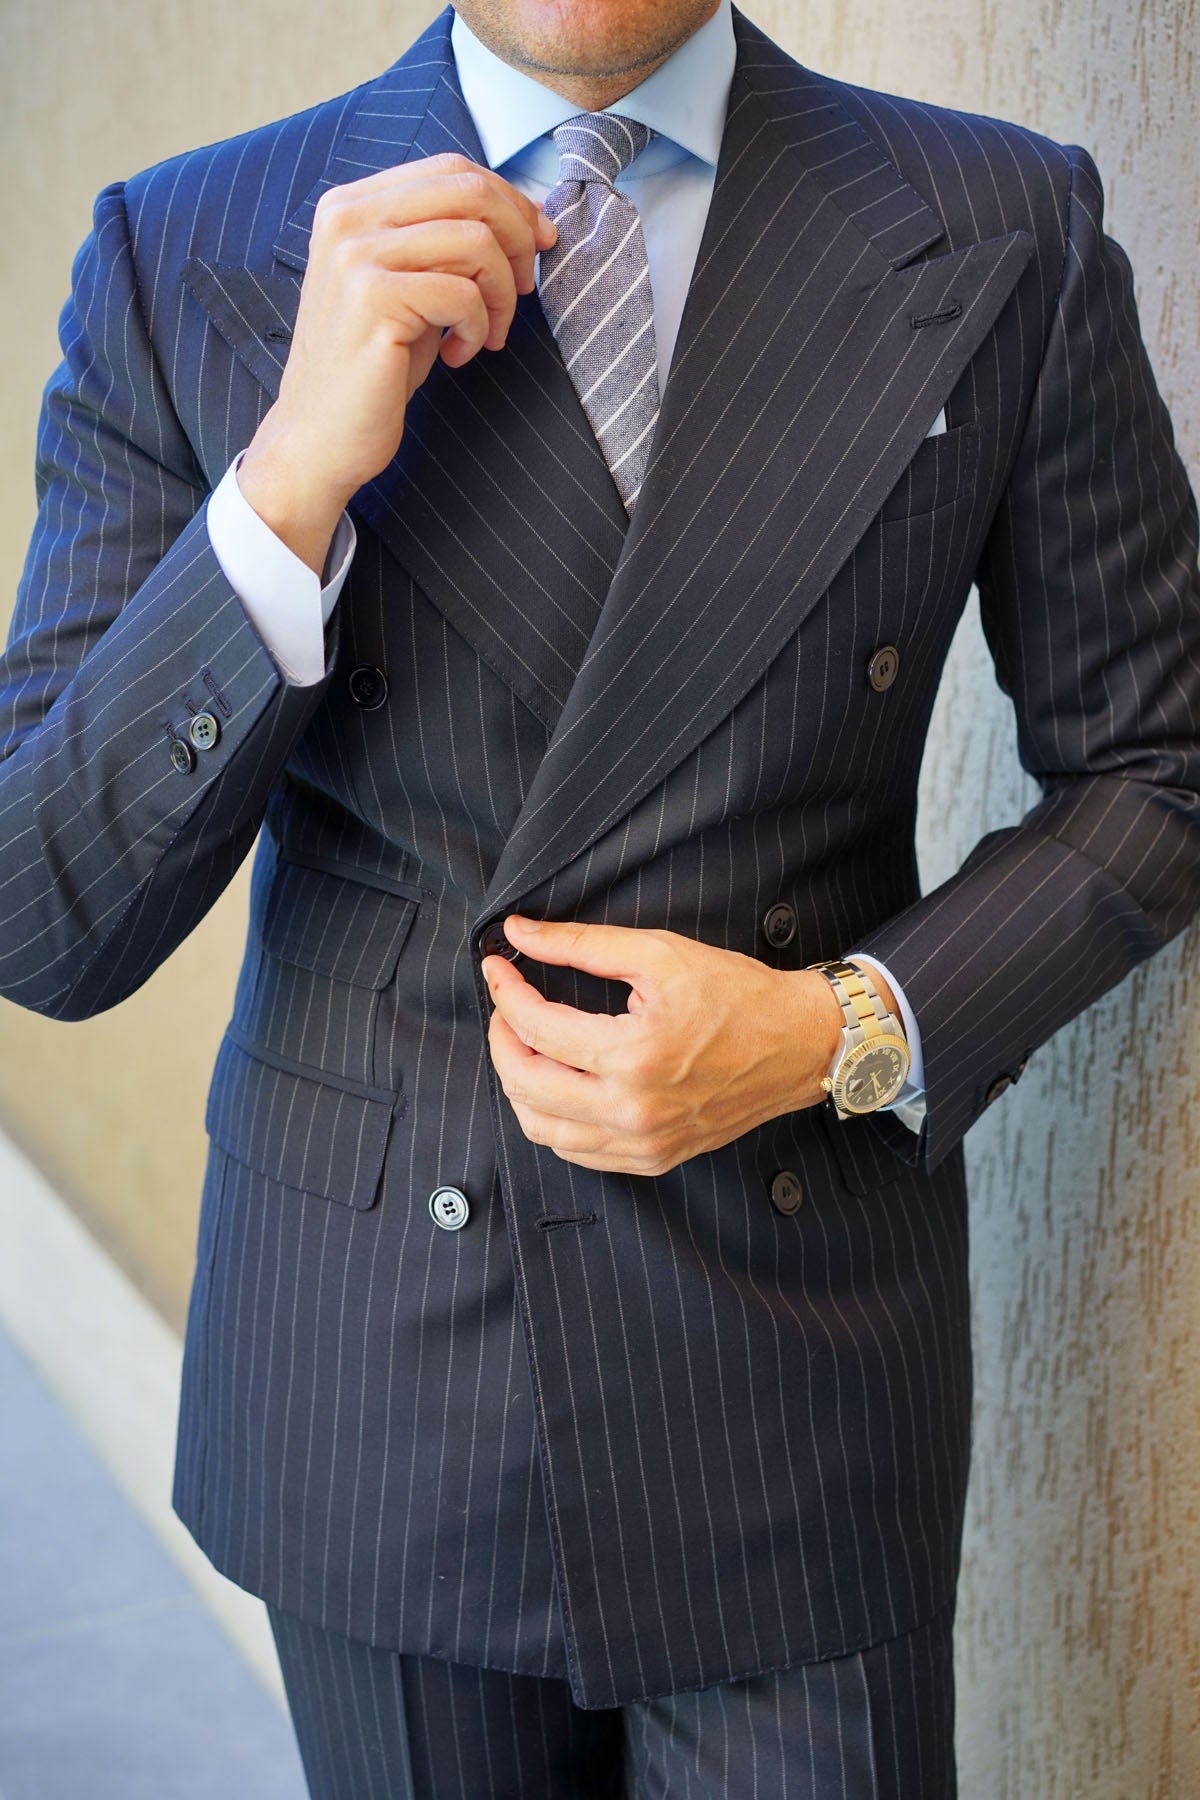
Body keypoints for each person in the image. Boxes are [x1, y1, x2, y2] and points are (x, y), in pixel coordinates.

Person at [2, 0, 1198, 1791]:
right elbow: (47, 917)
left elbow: (1158, 760)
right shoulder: (188, 249)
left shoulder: (1000, 221)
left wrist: (841, 1029)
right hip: (378, 1376)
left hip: (799, 1368)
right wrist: (285, 491)